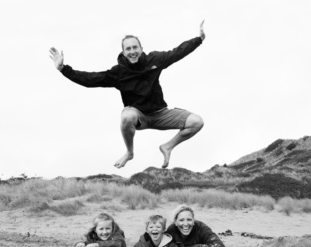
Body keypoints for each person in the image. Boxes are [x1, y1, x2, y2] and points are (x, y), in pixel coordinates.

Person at [49, 20, 206, 169]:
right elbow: (90, 79)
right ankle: (129, 153)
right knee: (126, 116)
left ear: (141, 48)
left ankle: (167, 147)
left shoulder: (155, 60)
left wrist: (198, 39)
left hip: (160, 114)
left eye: (135, 47)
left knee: (196, 122)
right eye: (128, 49)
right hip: (138, 117)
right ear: (123, 52)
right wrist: (63, 69)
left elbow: (177, 52)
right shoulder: (118, 73)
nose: (132, 51)